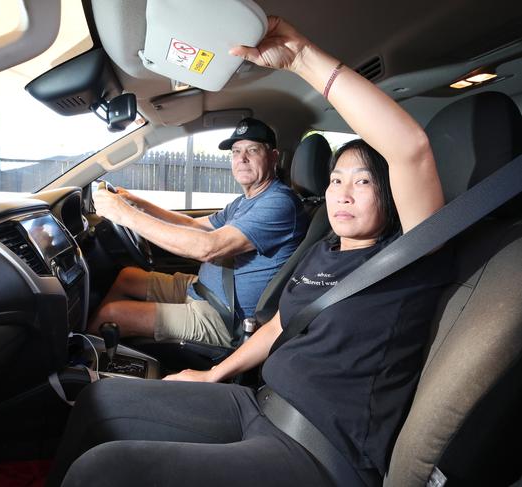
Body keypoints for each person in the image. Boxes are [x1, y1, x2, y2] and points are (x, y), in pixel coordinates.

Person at [46, 16, 453, 487]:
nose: (342, 193)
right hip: (259, 402)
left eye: (362, 182)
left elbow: (411, 150)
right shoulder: (325, 249)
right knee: (98, 403)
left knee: (104, 473)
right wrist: (214, 375)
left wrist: (302, 58)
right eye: (336, 179)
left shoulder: (411, 258)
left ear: (390, 193)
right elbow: (281, 322)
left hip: (318, 449)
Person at [88, 117, 308, 347]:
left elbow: (207, 247)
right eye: (235, 151)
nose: (241, 159)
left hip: (223, 317)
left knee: (112, 314)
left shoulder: (280, 203)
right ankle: (109, 350)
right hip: (201, 289)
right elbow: (195, 225)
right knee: (127, 277)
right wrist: (137, 203)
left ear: (273, 157)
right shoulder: (246, 200)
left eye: (252, 150)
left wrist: (125, 215)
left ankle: (82, 368)